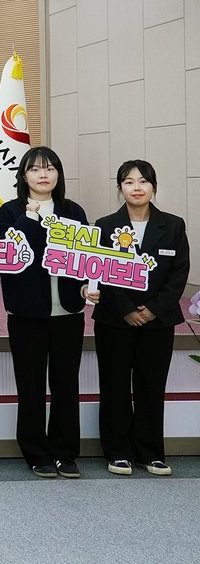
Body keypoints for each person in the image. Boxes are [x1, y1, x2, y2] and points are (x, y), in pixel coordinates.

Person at [0, 147, 91, 479]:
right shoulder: (10, 211)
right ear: (24, 176)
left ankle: (65, 452)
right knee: (31, 386)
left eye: (50, 168)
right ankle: (36, 453)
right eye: (35, 169)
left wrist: (86, 287)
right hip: (26, 313)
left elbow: (84, 258)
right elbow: (10, 255)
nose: (43, 175)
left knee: (66, 385)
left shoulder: (72, 211)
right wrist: (30, 217)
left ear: (58, 175)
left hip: (68, 311)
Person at [92, 160, 189, 477]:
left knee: (151, 386)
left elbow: (179, 274)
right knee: (115, 385)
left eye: (144, 181)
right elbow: (101, 272)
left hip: (157, 322)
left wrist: (153, 309)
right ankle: (118, 452)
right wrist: (126, 309)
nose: (137, 187)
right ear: (119, 188)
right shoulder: (105, 226)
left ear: (154, 187)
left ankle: (150, 453)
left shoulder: (173, 225)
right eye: (129, 181)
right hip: (115, 319)